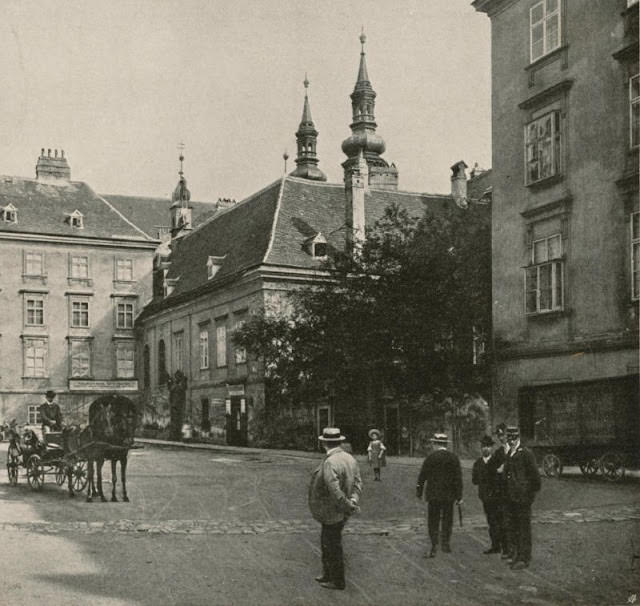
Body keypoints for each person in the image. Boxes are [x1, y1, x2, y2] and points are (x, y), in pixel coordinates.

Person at [308, 427, 362, 591]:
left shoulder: (330, 461)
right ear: (339, 442)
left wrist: (346, 504)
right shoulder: (349, 458)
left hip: (333, 509)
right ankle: (327, 573)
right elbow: (358, 483)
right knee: (327, 541)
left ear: (324, 443)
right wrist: (353, 500)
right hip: (342, 508)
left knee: (332, 544)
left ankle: (337, 580)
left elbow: (334, 489)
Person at [416, 432, 463, 558]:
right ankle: (446, 543)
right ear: (445, 445)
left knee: (433, 519)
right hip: (449, 495)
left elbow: (422, 476)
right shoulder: (453, 458)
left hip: (434, 494)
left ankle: (434, 543)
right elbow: (458, 478)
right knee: (447, 519)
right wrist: (459, 496)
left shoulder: (430, 458)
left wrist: (419, 491)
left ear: (436, 444)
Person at [504, 425, 541, 570]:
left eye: (513, 438)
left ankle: (524, 558)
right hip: (511, 499)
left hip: (523, 499)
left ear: (518, 437)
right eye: (509, 438)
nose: (511, 441)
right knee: (513, 527)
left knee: (523, 529)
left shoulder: (526, 453)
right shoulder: (509, 454)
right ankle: (517, 555)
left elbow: (536, 479)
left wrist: (529, 497)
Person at [472, 435, 502, 554]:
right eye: (484, 446)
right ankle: (495, 545)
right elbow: (474, 480)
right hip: (485, 497)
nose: (486, 449)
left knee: (499, 520)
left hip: (496, 496)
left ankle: (501, 545)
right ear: (481, 448)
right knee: (491, 521)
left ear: (491, 448)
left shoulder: (496, 461)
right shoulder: (478, 463)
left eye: (488, 447)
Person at [492, 423, 510, 559]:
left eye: (503, 435)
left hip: (515, 493)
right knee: (504, 522)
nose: (502, 438)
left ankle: (515, 550)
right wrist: (497, 471)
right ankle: (506, 549)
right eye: (499, 436)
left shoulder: (516, 451)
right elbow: (491, 471)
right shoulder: (498, 453)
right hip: (503, 493)